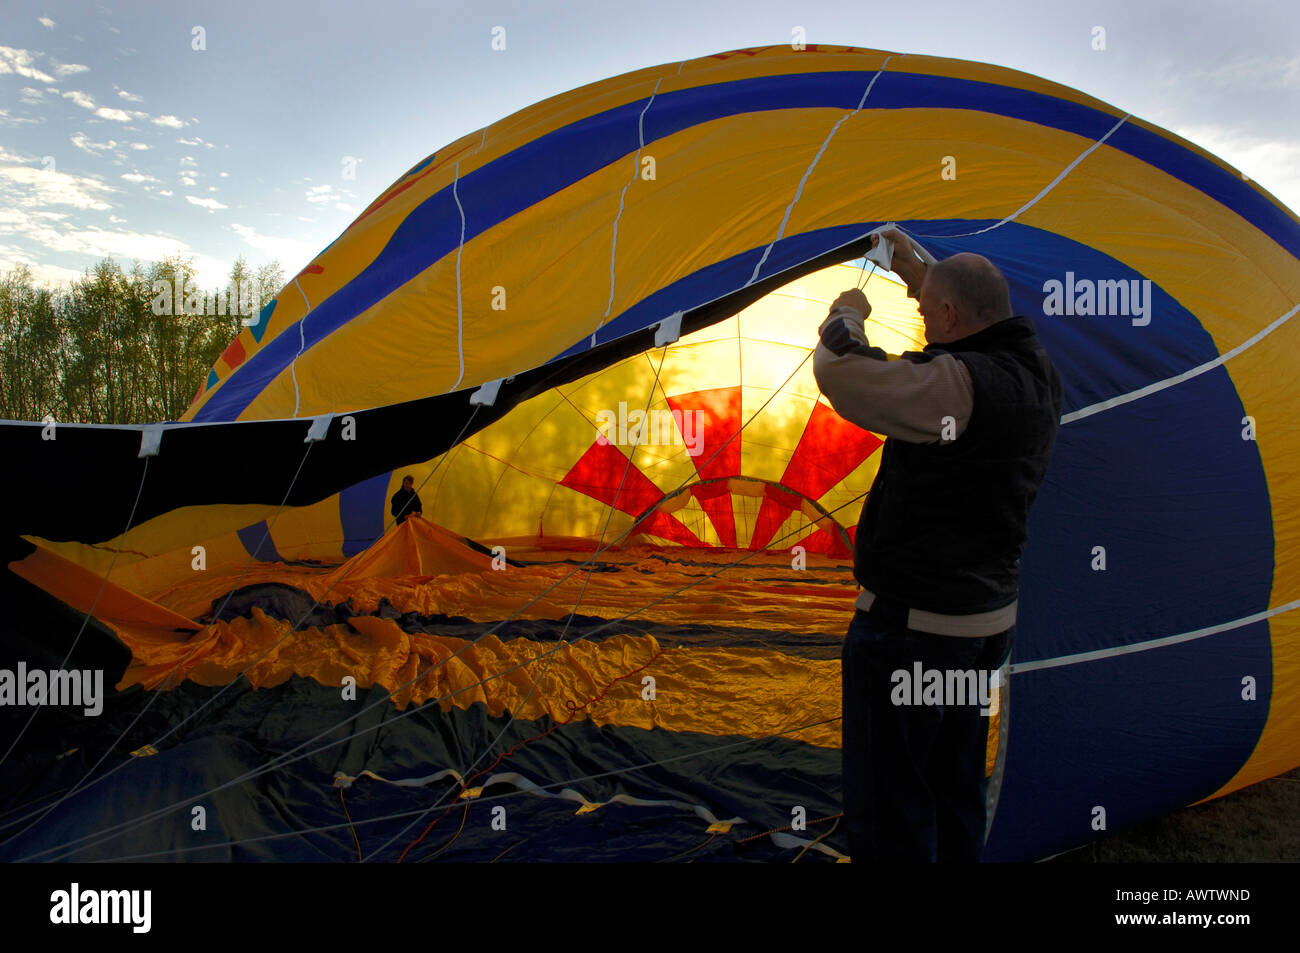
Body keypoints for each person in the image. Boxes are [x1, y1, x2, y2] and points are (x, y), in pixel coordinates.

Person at [813, 228, 1063, 862]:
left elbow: (841, 369)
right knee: (953, 786)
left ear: (950, 316)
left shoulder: (955, 384)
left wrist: (849, 311)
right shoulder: (1036, 372)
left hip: (914, 632)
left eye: (927, 313)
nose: (922, 323)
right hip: (983, 627)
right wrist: (919, 274)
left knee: (890, 803)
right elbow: (966, 311)